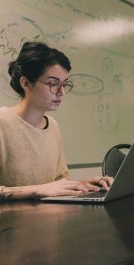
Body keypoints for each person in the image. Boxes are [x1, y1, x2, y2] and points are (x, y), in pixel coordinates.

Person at [0, 41, 113, 201]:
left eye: (64, 85)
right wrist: (38, 190)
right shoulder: (3, 123)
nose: (61, 93)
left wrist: (82, 184)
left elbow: (57, 181)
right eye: (53, 84)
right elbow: (45, 189)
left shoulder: (52, 126)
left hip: (47, 218)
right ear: (26, 83)